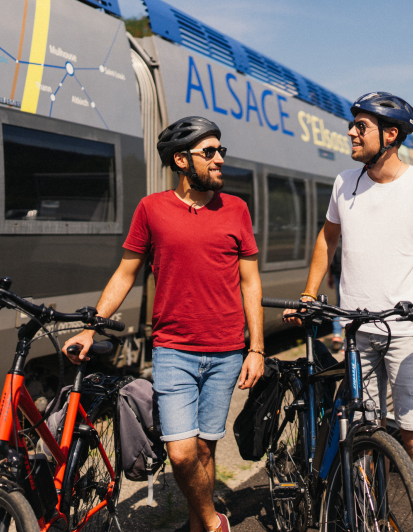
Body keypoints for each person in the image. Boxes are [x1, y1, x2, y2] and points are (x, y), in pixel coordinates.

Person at [64, 116, 265, 532]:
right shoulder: (151, 209)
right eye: (209, 152)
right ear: (181, 160)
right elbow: (125, 273)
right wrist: (92, 326)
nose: (219, 159)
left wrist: (256, 348)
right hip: (174, 350)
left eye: (220, 151)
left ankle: (199, 527)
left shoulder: (237, 210)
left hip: (226, 352)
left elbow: (250, 282)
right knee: (181, 453)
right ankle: (214, 522)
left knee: (206, 451)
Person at [285, 92, 413, 507]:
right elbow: (327, 240)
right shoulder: (345, 182)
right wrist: (310, 294)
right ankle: (370, 516)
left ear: (391, 134)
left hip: (406, 332)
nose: (350, 132)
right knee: (363, 433)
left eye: (361, 126)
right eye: (353, 125)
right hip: (355, 333)